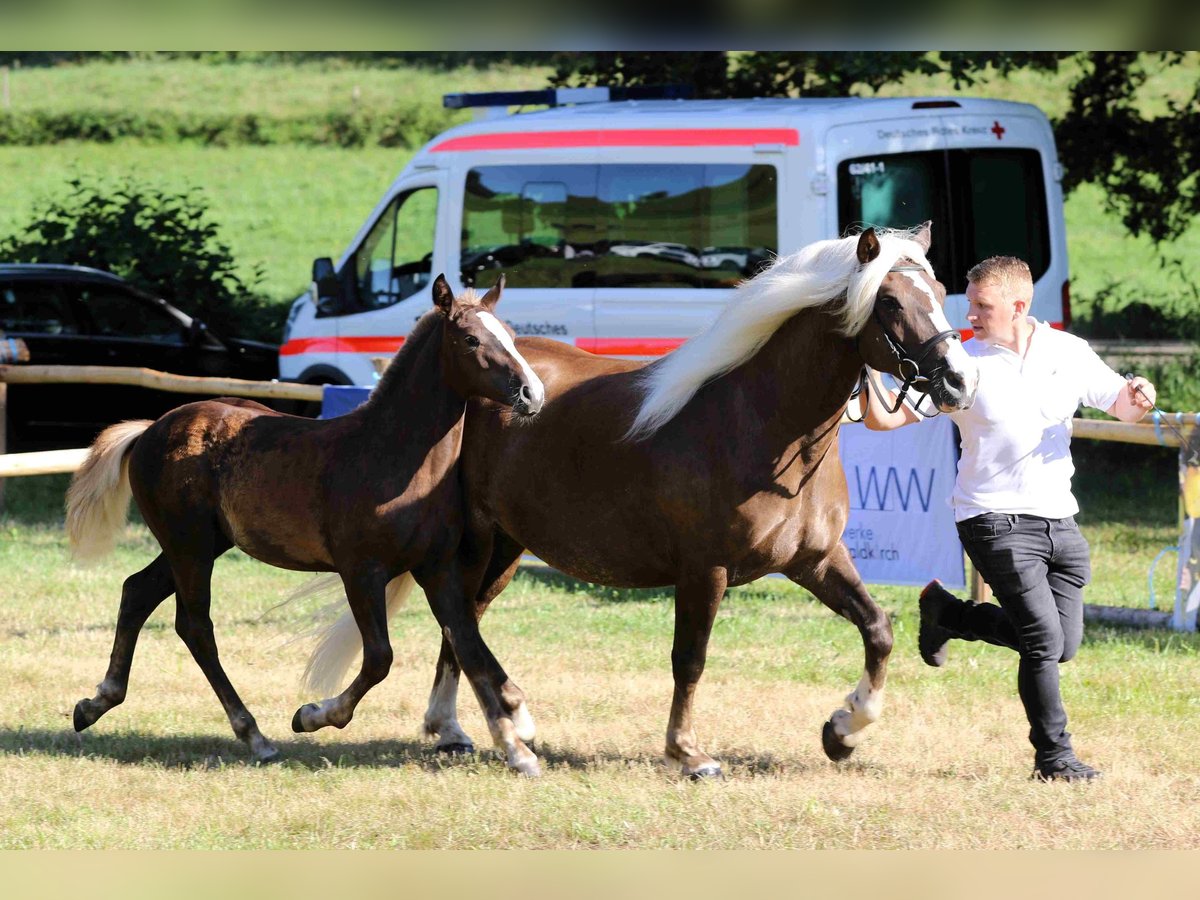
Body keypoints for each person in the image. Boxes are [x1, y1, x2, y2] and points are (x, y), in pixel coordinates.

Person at [860, 256, 1156, 783]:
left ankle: (949, 615)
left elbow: (1125, 408)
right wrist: (866, 375)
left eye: (981, 306)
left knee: (1062, 646)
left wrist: (1139, 394)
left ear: (1020, 306)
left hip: (1060, 521)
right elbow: (888, 419)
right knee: (1042, 640)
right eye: (968, 303)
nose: (968, 314)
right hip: (991, 517)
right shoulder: (962, 363)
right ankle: (1054, 758)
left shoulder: (1068, 353)